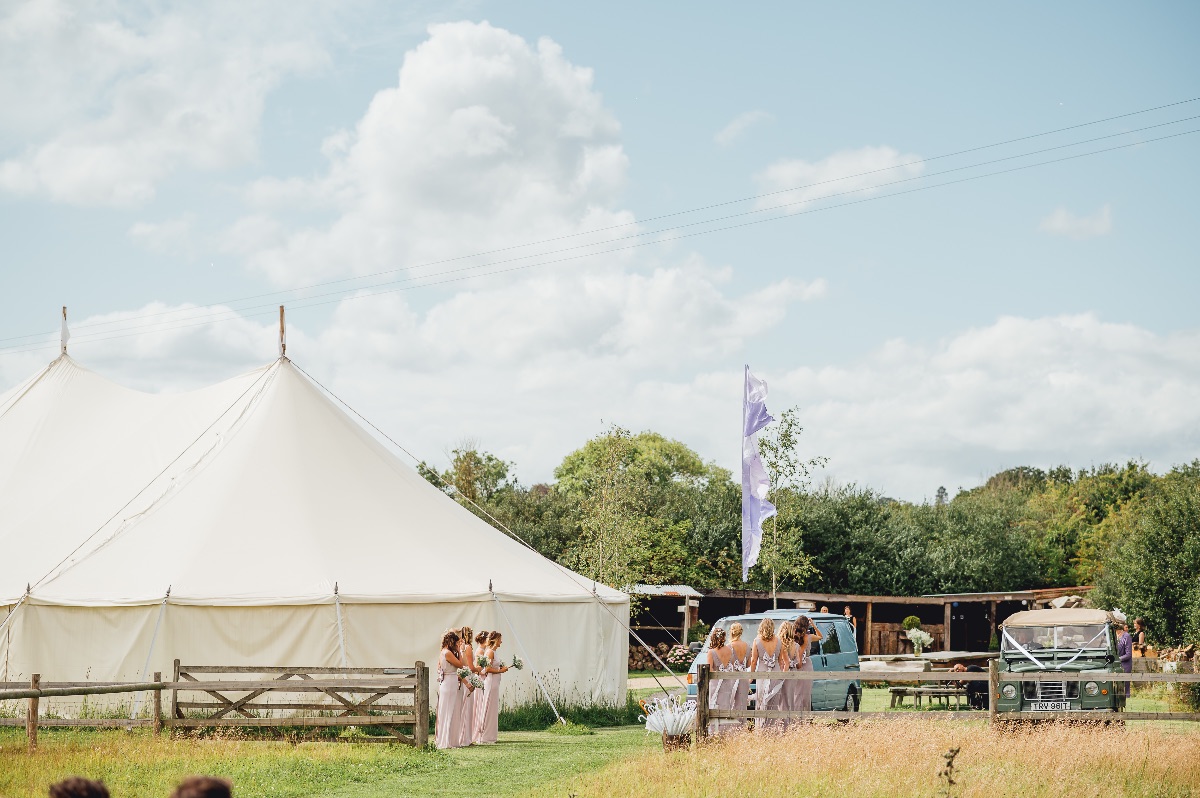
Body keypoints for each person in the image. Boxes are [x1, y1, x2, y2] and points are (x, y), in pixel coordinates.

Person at [749, 617, 788, 731]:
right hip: (775, 671)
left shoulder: (756, 641)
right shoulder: (779, 641)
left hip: (762, 672)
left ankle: (761, 728)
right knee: (773, 701)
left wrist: (751, 676)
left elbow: (753, 661)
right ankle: (771, 730)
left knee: (761, 699)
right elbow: (781, 661)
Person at [475, 630, 509, 744]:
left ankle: (490, 735)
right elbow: (487, 669)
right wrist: (501, 670)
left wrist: (501, 666)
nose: (501, 642)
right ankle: (485, 736)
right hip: (490, 682)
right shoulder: (489, 652)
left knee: (492, 708)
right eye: (500, 640)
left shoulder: (494, 652)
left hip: (495, 683)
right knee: (488, 707)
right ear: (495, 640)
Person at [434, 629, 465, 749]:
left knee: (450, 710)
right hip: (449, 682)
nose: (457, 645)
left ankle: (449, 739)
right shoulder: (447, 653)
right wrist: (459, 651)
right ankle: (445, 741)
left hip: (448, 681)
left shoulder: (443, 652)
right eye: (456, 643)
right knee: (448, 711)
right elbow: (461, 664)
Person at [705, 627, 737, 734]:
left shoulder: (711, 652)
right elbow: (732, 665)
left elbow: (709, 670)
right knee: (726, 705)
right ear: (723, 637)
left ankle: (714, 730)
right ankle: (725, 731)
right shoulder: (730, 650)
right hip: (727, 682)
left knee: (714, 705)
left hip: (715, 683)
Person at [793, 616, 823, 715]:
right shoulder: (808, 637)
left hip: (797, 665)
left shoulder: (794, 636)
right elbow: (820, 636)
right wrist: (813, 624)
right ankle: (802, 717)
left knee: (797, 692)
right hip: (805, 665)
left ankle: (797, 717)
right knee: (804, 693)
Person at [456, 625, 478, 747]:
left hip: (465, 676)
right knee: (466, 708)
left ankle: (465, 737)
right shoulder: (467, 648)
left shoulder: (461, 647)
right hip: (467, 676)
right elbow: (470, 667)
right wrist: (480, 669)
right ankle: (465, 738)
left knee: (465, 708)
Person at [727, 622, 751, 730]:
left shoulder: (729, 647)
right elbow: (749, 665)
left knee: (732, 704)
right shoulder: (747, 646)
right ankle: (741, 729)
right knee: (742, 705)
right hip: (744, 679)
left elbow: (726, 664)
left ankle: (733, 729)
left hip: (732, 679)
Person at [779, 621, 802, 727]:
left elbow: (783, 662)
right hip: (793, 673)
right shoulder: (796, 645)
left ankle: (783, 724)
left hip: (784, 672)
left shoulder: (781, 645)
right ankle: (790, 724)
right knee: (790, 698)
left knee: (782, 699)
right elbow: (799, 663)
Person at [473, 629, 490, 732]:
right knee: (480, 702)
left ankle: (482, 726)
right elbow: (477, 668)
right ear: (484, 639)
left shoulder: (483, 650)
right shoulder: (480, 651)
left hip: (484, 677)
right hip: (480, 678)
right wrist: (486, 670)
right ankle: (478, 728)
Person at [1117, 622, 1133, 697]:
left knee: (1125, 685)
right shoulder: (1113, 636)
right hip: (1115, 664)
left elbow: (1128, 654)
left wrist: (1118, 659)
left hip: (1125, 664)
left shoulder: (1127, 636)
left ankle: (1127, 697)